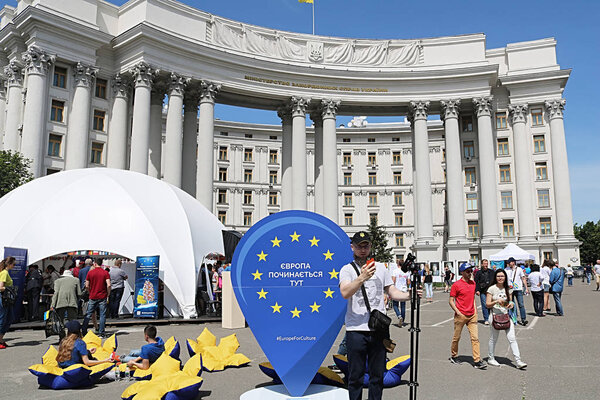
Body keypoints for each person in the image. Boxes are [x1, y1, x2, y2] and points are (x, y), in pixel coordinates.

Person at [339, 231, 416, 400]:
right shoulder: (347, 270)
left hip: (378, 329)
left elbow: (392, 292)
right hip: (356, 330)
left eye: (366, 245)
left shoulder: (381, 268)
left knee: (377, 376)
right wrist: (362, 278)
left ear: (370, 246)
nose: (363, 249)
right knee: (355, 377)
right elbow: (345, 292)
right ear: (352, 247)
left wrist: (410, 295)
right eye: (359, 246)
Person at [486, 269, 527, 369]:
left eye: (502, 276)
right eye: (498, 276)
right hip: (495, 316)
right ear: (495, 277)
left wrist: (510, 305)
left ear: (505, 277)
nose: (500, 278)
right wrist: (496, 301)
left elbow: (510, 302)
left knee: (512, 338)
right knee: (493, 339)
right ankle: (491, 358)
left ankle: (518, 361)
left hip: (506, 316)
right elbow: (487, 304)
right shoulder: (491, 289)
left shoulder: (508, 288)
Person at [449, 263, 487, 369]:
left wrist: (475, 311)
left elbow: (472, 298)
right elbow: (451, 301)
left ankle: (477, 360)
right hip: (460, 315)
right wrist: (458, 311)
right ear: (462, 272)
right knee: (456, 338)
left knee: (475, 338)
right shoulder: (456, 285)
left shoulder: (473, 284)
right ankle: (454, 355)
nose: (470, 273)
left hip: (472, 315)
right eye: (468, 271)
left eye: (471, 271)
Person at [83, 259, 110, 337]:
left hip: (93, 296)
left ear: (95, 264)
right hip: (102, 296)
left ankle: (84, 331)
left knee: (88, 314)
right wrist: (108, 293)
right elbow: (108, 284)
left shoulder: (90, 273)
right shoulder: (105, 273)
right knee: (102, 315)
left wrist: (90, 291)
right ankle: (101, 332)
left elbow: (86, 285)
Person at [506, 258, 528, 326]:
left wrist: (526, 288)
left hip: (518, 288)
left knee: (521, 304)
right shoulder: (506, 269)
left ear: (513, 262)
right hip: (510, 289)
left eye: (510, 262)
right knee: (511, 304)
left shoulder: (519, 269)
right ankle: (513, 318)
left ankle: (523, 319)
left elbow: (523, 278)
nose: (509, 264)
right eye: (508, 263)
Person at [0, 257, 16, 349]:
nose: (14, 266)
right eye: (13, 264)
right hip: (3, 299)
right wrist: (9, 289)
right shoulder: (4, 273)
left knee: (9, 318)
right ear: (9, 264)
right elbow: (0, 287)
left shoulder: (5, 272)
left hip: (7, 300)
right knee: (3, 319)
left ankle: (1, 339)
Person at [474, 259, 494, 325]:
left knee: (491, 305)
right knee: (485, 305)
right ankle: (486, 319)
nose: (486, 265)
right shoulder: (479, 272)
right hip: (482, 291)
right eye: (484, 263)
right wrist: (477, 290)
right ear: (482, 264)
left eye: (487, 263)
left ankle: (492, 318)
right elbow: (476, 282)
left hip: (490, 291)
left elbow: (494, 281)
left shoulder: (491, 272)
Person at [391, 262, 410, 327]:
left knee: (395, 304)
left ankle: (399, 316)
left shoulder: (395, 271)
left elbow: (393, 280)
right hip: (404, 289)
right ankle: (402, 320)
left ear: (398, 264)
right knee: (403, 306)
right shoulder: (406, 272)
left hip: (397, 289)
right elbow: (408, 282)